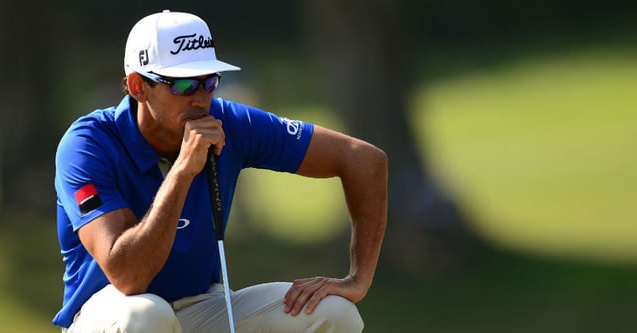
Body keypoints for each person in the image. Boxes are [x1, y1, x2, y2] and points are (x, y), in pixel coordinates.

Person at [53, 9, 388, 333]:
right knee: (146, 317)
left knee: (335, 314)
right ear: (139, 86)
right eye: (183, 85)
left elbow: (363, 160)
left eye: (210, 82)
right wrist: (183, 170)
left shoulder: (231, 122)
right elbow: (128, 276)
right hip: (108, 311)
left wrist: (358, 280)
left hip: (199, 305)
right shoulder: (87, 145)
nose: (201, 99)